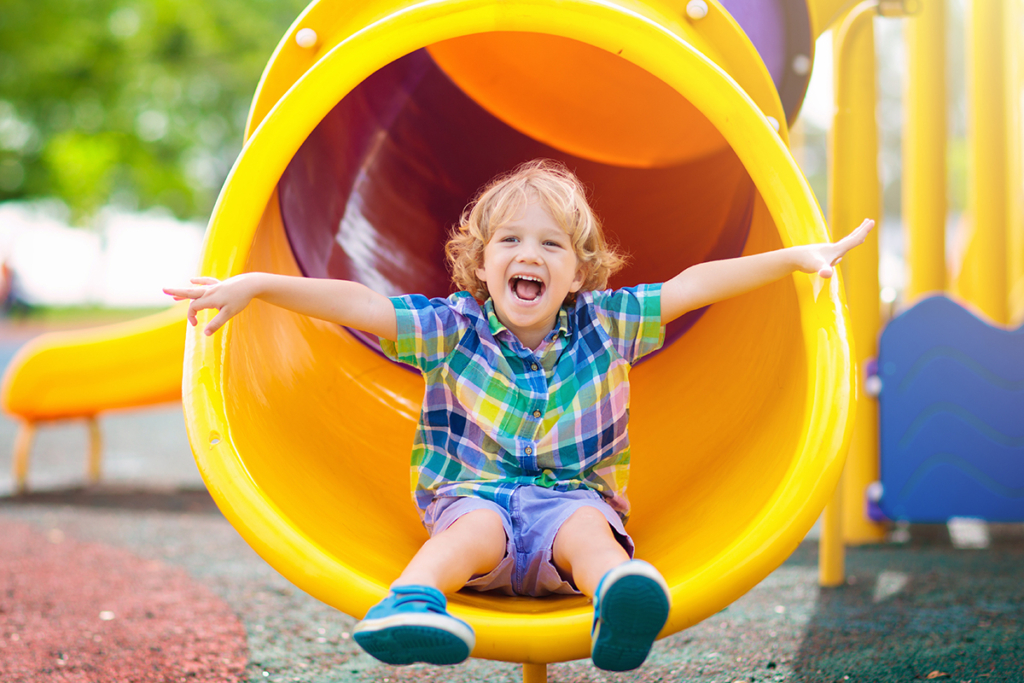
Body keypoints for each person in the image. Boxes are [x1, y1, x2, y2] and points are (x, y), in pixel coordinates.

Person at [165, 159, 873, 672]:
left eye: (550, 244)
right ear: (480, 262)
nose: (527, 255)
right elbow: (361, 304)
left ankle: (619, 596)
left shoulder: (608, 321)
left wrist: (793, 257)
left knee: (589, 529)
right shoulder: (452, 325)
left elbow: (694, 286)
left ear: (579, 272)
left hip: (570, 502)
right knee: (472, 523)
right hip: (477, 503)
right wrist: (256, 284)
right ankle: (411, 602)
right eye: (509, 241)